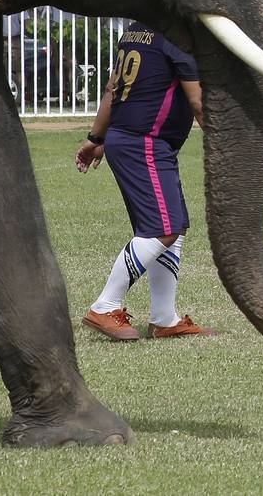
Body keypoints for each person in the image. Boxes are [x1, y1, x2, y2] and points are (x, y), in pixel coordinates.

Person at [75, 21, 215, 341]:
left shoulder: (136, 30)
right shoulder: (179, 36)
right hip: (146, 144)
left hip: (133, 142)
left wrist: (97, 137)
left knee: (173, 227)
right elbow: (197, 103)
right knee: (162, 228)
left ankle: (165, 318)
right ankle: (105, 306)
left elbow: (114, 89)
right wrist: (229, 142)